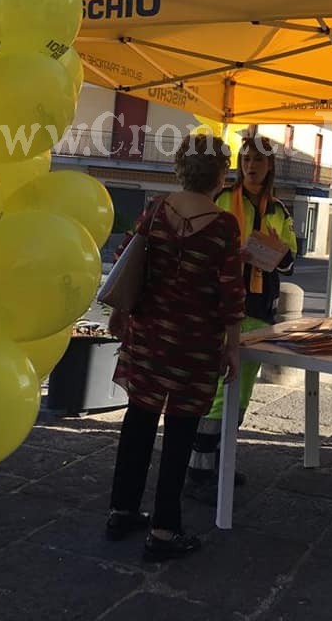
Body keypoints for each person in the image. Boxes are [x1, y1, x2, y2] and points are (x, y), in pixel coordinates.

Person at [106, 134, 245, 560]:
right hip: (194, 344)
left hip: (149, 334)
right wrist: (233, 348)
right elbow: (231, 295)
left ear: (181, 169)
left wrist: (120, 313)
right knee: (181, 431)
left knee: (139, 421)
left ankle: (122, 511)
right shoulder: (223, 226)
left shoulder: (155, 210)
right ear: (220, 175)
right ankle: (164, 531)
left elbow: (131, 263)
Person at [187, 135, 297, 500]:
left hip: (260, 307)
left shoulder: (279, 210)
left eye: (257, 161)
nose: (250, 166)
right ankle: (201, 469)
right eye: (245, 159)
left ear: (269, 168)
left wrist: (273, 250)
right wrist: (237, 253)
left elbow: (292, 260)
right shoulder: (219, 200)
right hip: (219, 305)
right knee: (217, 389)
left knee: (241, 391)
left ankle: (221, 461)